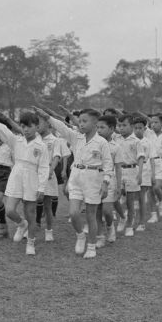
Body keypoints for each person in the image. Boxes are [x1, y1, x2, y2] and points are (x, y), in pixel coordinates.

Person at [35, 106, 112, 259]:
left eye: (85, 121)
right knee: (73, 212)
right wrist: (47, 116)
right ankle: (80, 235)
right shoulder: (76, 137)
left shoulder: (102, 142)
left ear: (95, 123)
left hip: (94, 178)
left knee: (91, 214)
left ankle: (91, 247)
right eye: (80, 121)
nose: (81, 124)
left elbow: (108, 165)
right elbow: (61, 127)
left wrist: (105, 183)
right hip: (76, 176)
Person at [0, 111, 49, 256]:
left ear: (36, 126)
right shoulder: (16, 140)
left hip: (32, 178)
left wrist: (41, 187)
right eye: (23, 126)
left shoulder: (41, 146)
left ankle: (30, 243)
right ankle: (22, 225)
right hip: (16, 176)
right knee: (9, 210)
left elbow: (44, 167)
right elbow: (2, 130)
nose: (26, 129)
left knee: (30, 213)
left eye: (29, 126)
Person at [95, 114, 123, 247]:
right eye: (97, 127)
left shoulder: (116, 147)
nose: (99, 130)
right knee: (97, 210)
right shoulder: (93, 143)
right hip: (94, 179)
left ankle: (110, 226)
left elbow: (118, 168)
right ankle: (100, 236)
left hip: (109, 179)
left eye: (102, 127)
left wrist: (119, 186)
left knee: (107, 210)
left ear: (111, 129)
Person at [35, 113, 64, 242]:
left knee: (47, 205)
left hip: (48, 175)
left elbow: (56, 157)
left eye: (39, 123)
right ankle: (30, 227)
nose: (36, 126)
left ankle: (49, 230)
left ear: (48, 123)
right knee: (29, 204)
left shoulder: (55, 140)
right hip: (33, 174)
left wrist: (51, 170)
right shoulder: (34, 138)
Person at [115, 114, 142, 236]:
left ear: (131, 126)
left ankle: (130, 226)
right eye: (119, 125)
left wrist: (140, 173)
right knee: (115, 198)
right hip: (118, 170)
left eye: (124, 125)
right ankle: (122, 217)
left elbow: (140, 158)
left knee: (130, 201)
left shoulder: (136, 141)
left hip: (131, 171)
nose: (121, 128)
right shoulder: (116, 139)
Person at [133, 115, 155, 228]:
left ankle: (141, 222)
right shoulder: (131, 141)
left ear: (144, 129)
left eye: (140, 128)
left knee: (141, 197)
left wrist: (153, 175)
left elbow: (151, 159)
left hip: (145, 170)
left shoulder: (148, 142)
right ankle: (131, 219)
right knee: (132, 197)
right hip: (132, 170)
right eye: (135, 128)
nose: (137, 130)